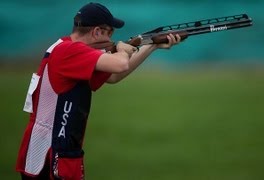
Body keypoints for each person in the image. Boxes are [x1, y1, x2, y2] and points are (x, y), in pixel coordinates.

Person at [16, 2, 181, 180]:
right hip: (50, 152)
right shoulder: (70, 50)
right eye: (110, 32)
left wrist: (152, 46)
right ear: (96, 32)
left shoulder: (66, 47)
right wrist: (123, 50)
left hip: (51, 149)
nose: (112, 37)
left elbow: (113, 76)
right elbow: (121, 64)